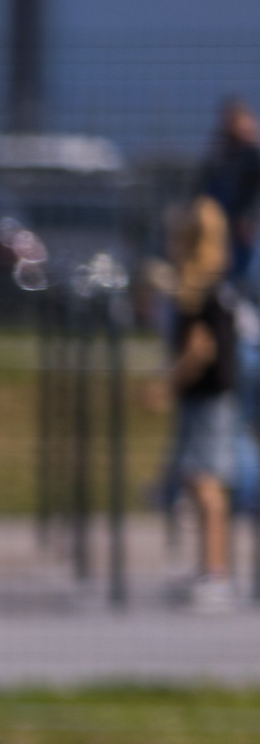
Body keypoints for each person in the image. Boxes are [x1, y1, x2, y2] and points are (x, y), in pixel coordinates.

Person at [160, 197, 243, 612]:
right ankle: (208, 571)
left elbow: (201, 347)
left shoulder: (198, 290)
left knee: (205, 483)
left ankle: (215, 576)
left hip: (207, 398)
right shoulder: (215, 285)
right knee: (200, 482)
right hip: (212, 396)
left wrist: (167, 384)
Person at [198, 98, 260, 282]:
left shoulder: (252, 155)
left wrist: (249, 217)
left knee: (242, 273)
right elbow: (205, 183)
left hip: (243, 229)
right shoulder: (221, 152)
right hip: (219, 226)